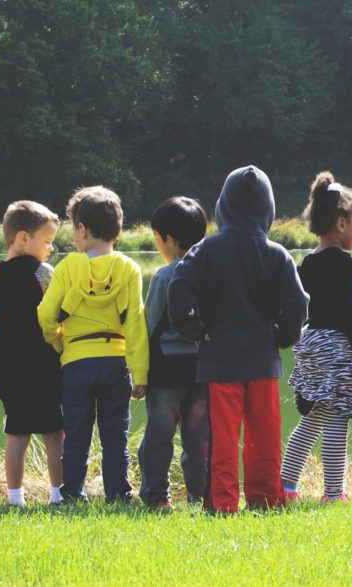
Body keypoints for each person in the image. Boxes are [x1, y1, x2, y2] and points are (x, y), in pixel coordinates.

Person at [167, 166, 309, 513]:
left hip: (219, 360)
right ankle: (266, 500)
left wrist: (196, 331)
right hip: (263, 358)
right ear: (269, 209)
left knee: (223, 438)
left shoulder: (205, 251)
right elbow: (298, 305)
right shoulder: (277, 254)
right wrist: (280, 337)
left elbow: (178, 293)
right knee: (264, 436)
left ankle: (223, 502)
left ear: (222, 207)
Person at [37, 186, 148, 503]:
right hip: (116, 362)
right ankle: (118, 493)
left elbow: (46, 315)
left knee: (76, 435)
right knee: (115, 435)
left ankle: (72, 493)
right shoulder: (128, 268)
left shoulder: (69, 267)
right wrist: (140, 371)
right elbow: (135, 322)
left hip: (76, 363)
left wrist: (60, 343)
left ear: (82, 230)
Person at [281, 173, 352, 503]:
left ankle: (286, 486)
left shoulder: (306, 263)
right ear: (340, 224)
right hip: (337, 347)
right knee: (337, 419)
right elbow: (349, 310)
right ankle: (334, 493)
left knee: (312, 419)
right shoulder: (344, 262)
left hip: (310, 345)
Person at [0, 200, 63, 507]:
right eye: (47, 241)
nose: (50, 248)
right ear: (22, 238)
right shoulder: (44, 273)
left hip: (8, 369)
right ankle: (58, 495)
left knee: (17, 434)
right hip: (45, 365)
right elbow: (58, 313)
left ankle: (14, 498)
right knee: (54, 432)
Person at [137, 196, 210, 508]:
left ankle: (157, 497)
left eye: (157, 238)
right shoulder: (212, 273)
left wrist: (138, 372)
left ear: (169, 239)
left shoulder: (166, 276)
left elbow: (149, 324)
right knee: (198, 439)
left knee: (158, 437)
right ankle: (200, 497)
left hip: (167, 369)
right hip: (203, 367)